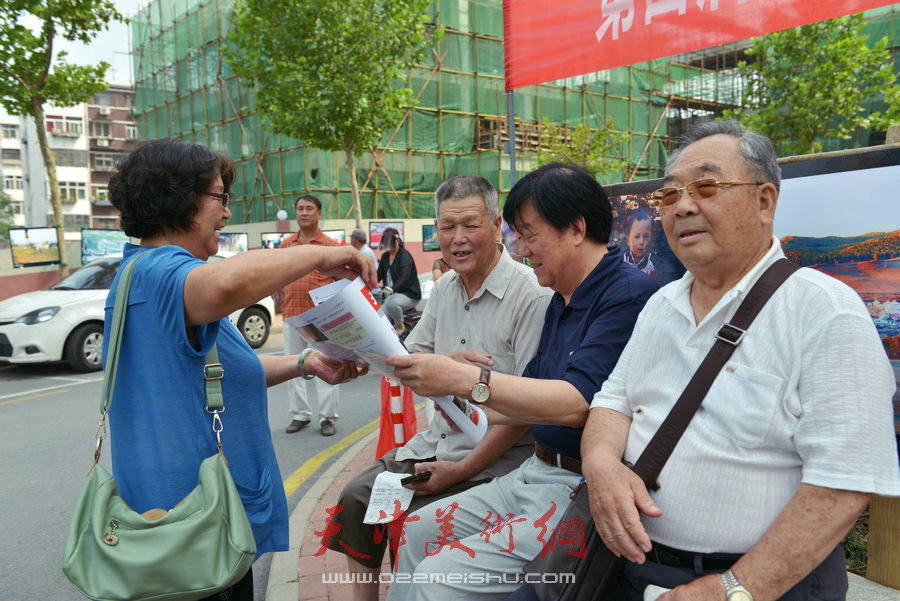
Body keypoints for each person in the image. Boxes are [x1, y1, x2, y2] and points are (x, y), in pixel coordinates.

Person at [582, 121, 900, 601]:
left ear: (764, 202)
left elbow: (844, 484)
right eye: (669, 196)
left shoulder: (824, 311)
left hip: (762, 586)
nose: (684, 206)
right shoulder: (660, 305)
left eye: (707, 187)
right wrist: (602, 465)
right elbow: (613, 401)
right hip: (636, 570)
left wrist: (735, 588)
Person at [103, 139, 375, 601]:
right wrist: (322, 253)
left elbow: (224, 373)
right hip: (191, 526)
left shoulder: (155, 279)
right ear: (180, 197)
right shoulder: (161, 275)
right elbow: (230, 280)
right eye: (219, 197)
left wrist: (305, 362)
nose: (226, 213)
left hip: (203, 521)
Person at [383, 162, 658, 601]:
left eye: (529, 235)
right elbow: (523, 392)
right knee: (416, 530)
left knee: (436, 577)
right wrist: (456, 392)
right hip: (533, 472)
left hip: (575, 489)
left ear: (575, 228)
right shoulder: (561, 298)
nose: (522, 250)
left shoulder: (625, 295)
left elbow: (575, 403)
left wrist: (465, 377)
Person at [324, 175, 552, 601]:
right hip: (437, 443)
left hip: (498, 458)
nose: (458, 239)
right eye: (447, 228)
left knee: (418, 517)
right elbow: (408, 361)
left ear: (496, 224)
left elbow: (524, 412)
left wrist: (461, 470)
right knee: (356, 498)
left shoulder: (530, 296)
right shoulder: (445, 287)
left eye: (470, 225)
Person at [281, 195, 343, 437]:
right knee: (292, 367)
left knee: (326, 366)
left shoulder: (330, 246)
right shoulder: (286, 245)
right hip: (291, 316)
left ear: (319, 214)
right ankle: (300, 415)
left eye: (309, 209)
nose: (303, 213)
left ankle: (328, 417)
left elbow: (341, 284)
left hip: (321, 321)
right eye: (299, 209)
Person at [377, 227, 422, 336]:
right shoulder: (385, 256)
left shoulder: (404, 256)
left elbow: (404, 277)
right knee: (378, 317)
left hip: (409, 295)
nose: (387, 245)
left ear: (397, 241)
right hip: (391, 296)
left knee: (392, 302)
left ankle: (400, 327)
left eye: (390, 242)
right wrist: (367, 283)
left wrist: (392, 290)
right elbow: (378, 275)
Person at [622, 208, 656, 279]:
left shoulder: (649, 266)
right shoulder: (622, 262)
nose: (641, 242)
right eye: (637, 237)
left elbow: (654, 286)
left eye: (646, 236)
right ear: (628, 240)